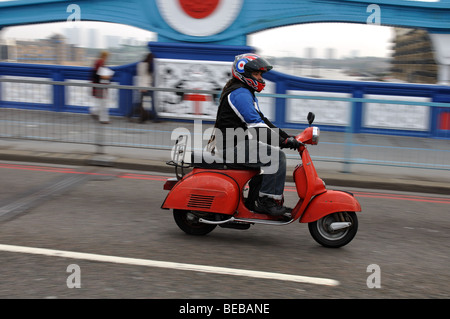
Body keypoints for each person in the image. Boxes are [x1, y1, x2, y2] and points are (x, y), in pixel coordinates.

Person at [210, 53, 301, 217]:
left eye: (261, 74)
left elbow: (263, 121)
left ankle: (254, 201)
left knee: (269, 158)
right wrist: (283, 142)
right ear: (243, 73)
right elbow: (257, 127)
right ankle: (267, 201)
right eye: (256, 74)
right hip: (231, 147)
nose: (260, 78)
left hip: (237, 144)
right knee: (276, 157)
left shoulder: (245, 92)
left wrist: (288, 137)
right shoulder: (240, 94)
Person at [130, 52, 159, 123]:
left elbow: (139, 75)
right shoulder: (149, 65)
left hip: (141, 86)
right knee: (152, 103)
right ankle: (154, 118)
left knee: (141, 103)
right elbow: (150, 75)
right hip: (148, 86)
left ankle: (136, 116)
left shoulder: (140, 64)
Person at [90, 51, 113, 124]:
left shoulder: (98, 62)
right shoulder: (100, 63)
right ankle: (103, 119)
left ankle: (94, 111)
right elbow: (101, 76)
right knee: (103, 103)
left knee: (101, 102)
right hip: (101, 86)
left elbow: (97, 74)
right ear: (105, 56)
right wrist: (109, 76)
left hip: (98, 85)